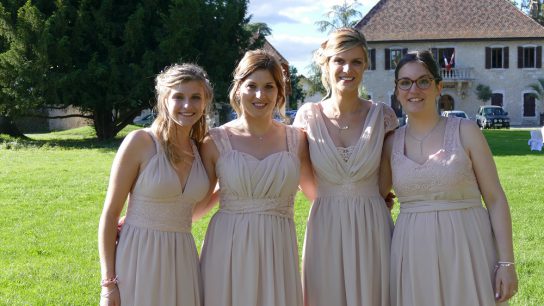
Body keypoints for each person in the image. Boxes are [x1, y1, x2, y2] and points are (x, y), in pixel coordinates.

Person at [380, 50, 518, 306]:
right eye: (405, 82)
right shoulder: (391, 144)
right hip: (412, 253)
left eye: (423, 81)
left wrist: (506, 263)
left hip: (467, 248)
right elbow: (375, 197)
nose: (414, 89)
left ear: (438, 87)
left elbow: (496, 199)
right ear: (397, 91)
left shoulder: (466, 132)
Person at [194, 49, 315, 306]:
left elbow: (316, 193)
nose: (260, 95)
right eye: (252, 86)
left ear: (280, 92)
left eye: (269, 87)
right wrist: (146, 216)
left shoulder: (298, 140)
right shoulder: (215, 141)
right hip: (228, 246)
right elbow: (198, 205)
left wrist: (367, 197)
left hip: (277, 246)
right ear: (238, 89)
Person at [292, 27, 399, 306]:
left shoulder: (383, 116)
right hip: (325, 224)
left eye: (356, 62)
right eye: (339, 60)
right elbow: (304, 180)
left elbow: (387, 175)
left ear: (365, 66)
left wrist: (367, 198)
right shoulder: (307, 116)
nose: (347, 69)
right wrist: (337, 200)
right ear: (325, 66)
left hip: (372, 224)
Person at [98, 63, 213, 306]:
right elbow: (109, 215)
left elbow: (192, 213)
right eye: (178, 97)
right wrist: (108, 284)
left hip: (182, 256)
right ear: (163, 99)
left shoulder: (201, 149)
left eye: (195, 97)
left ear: (205, 102)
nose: (187, 105)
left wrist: (229, 190)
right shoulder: (141, 142)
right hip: (140, 253)